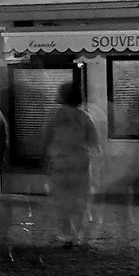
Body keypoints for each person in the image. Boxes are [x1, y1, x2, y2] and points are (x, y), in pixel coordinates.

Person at [42, 80, 103, 245]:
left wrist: (44, 160)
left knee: (61, 200)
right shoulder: (86, 117)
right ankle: (78, 234)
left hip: (59, 163)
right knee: (80, 200)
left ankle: (66, 234)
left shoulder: (54, 116)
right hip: (80, 164)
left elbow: (45, 139)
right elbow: (95, 145)